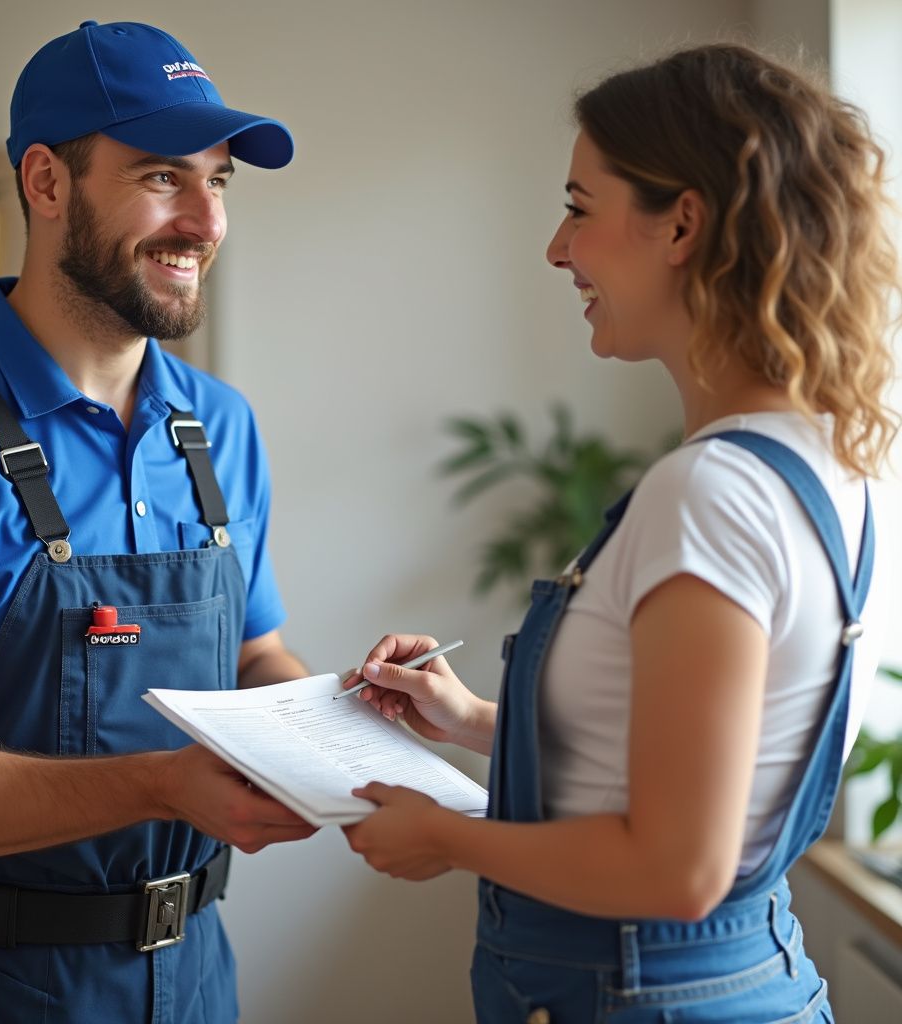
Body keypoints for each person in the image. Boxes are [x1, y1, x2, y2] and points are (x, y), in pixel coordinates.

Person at [342, 43, 898, 1022]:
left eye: (578, 208)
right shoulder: (830, 464)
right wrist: (474, 718)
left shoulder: (710, 493)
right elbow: (711, 760)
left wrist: (444, 835)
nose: (558, 250)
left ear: (680, 222)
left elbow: (678, 867)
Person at [0, 20, 317, 1023]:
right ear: (45, 182)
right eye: (164, 176)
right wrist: (163, 785)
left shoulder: (219, 425)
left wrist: (341, 726)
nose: (204, 222)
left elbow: (257, 659)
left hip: (198, 973)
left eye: (219, 182)